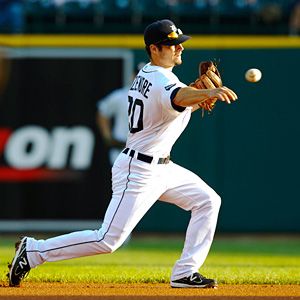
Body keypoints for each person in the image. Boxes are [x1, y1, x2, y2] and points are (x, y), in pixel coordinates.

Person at [8, 19, 237, 288]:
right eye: (171, 44)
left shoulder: (151, 74)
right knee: (107, 240)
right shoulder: (161, 79)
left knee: (208, 200)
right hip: (139, 170)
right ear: (154, 48)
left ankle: (184, 272)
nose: (179, 49)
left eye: (179, 43)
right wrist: (208, 91)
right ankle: (33, 251)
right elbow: (177, 97)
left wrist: (197, 98)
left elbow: (171, 106)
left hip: (163, 167)